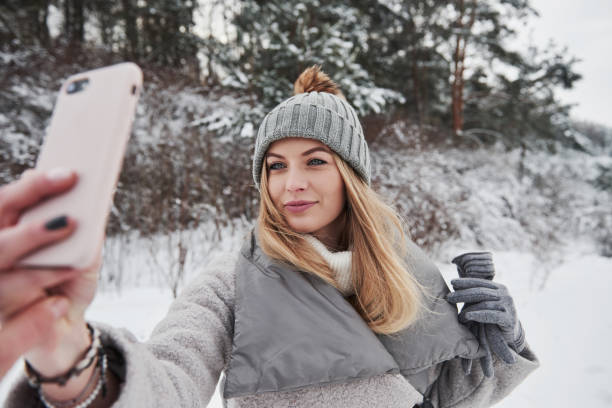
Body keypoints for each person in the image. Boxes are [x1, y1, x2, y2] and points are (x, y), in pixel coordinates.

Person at [0, 66, 539, 408]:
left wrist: (501, 343)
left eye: (315, 161)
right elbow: (170, 379)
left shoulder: (407, 269)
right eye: (275, 166)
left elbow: (441, 399)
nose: (291, 183)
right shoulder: (235, 279)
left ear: (351, 175)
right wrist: (72, 359)